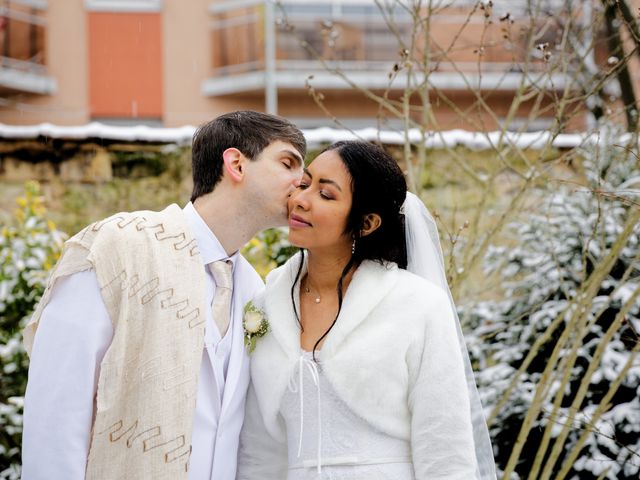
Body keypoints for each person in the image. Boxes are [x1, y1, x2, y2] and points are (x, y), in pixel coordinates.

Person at [21, 111, 306, 480]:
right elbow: (57, 407)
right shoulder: (117, 246)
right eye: (288, 163)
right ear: (236, 163)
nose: (303, 183)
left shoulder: (256, 289)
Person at [237, 140, 496, 479]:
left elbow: (446, 450)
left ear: (367, 223)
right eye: (304, 183)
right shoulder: (265, 305)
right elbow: (258, 450)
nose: (300, 200)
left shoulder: (418, 305)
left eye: (326, 195)